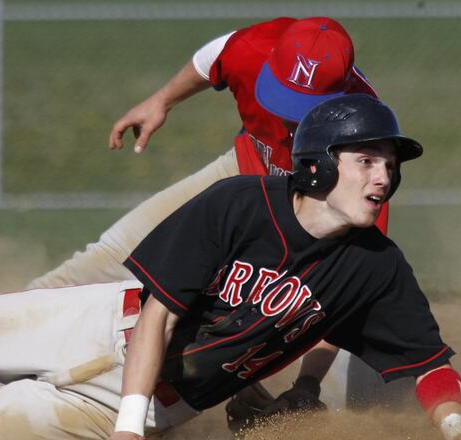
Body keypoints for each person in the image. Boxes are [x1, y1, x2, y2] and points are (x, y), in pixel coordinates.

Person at [0, 95, 461, 440]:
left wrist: (456, 427)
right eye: (367, 160)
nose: (384, 176)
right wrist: (130, 429)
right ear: (318, 166)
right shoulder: (239, 205)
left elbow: (429, 367)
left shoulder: (377, 269)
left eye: (391, 165)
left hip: (160, 399)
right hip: (97, 325)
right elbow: (161, 315)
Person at [27, 16, 382, 426]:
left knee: (319, 351)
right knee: (115, 254)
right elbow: (209, 57)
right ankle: (4, 331)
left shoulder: (366, 145)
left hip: (308, 218)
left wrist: (307, 385)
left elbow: (346, 291)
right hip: (238, 177)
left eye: (305, 109)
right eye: (284, 96)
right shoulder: (252, 49)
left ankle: (253, 404)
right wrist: (161, 101)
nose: (289, 117)